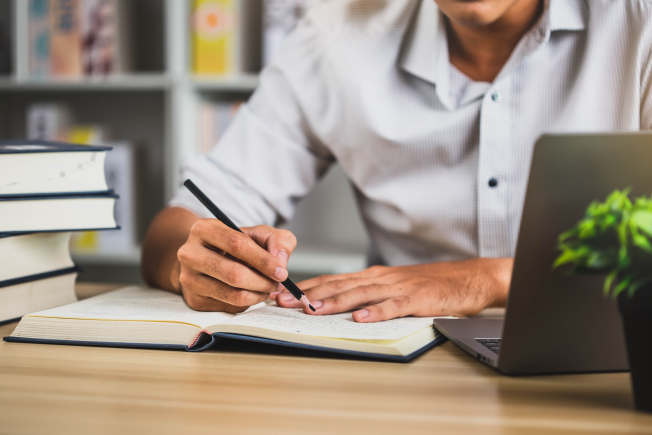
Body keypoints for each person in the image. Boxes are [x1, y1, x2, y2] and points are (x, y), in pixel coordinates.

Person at [142, 0, 652, 323]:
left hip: (614, 362)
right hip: (406, 365)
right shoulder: (336, 35)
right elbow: (176, 227)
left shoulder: (639, 23)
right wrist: (196, 263)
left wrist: (487, 280)